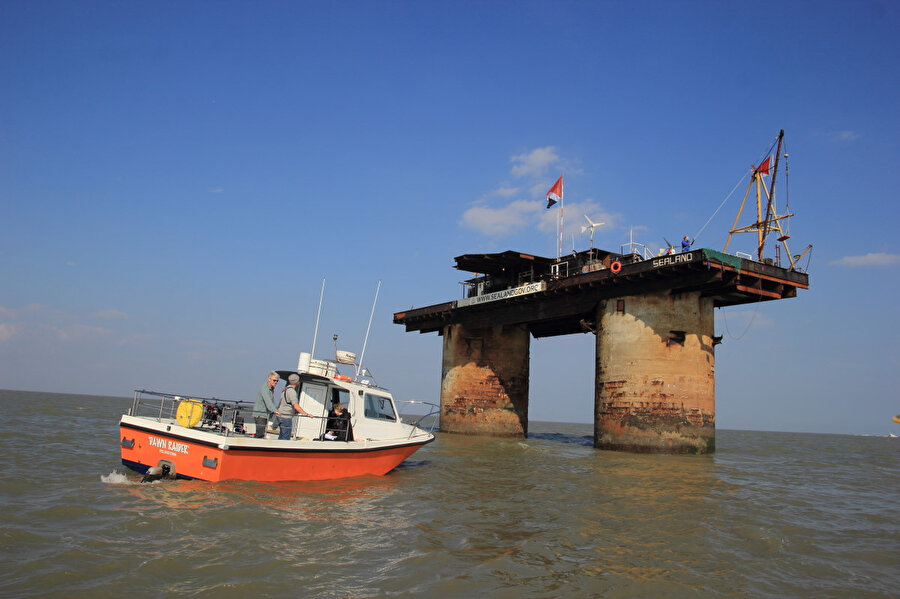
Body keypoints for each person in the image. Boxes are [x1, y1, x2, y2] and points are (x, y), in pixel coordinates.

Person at [276, 373, 313, 440]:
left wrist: (295, 412)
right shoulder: (292, 392)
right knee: (285, 437)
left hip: (281, 416)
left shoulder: (285, 389)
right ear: (296, 382)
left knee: (281, 436)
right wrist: (307, 414)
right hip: (286, 417)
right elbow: (296, 406)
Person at [252, 371, 280, 438]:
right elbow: (268, 401)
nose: (275, 382)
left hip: (265, 415)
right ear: (269, 379)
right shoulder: (265, 388)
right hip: (260, 414)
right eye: (274, 380)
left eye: (277, 381)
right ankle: (254, 447)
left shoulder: (271, 389)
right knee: (260, 433)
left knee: (262, 433)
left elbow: (271, 402)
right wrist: (275, 411)